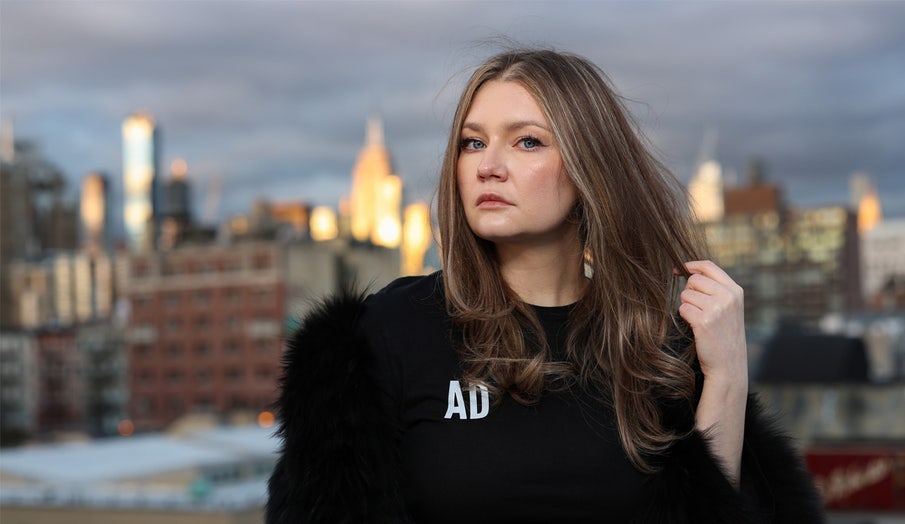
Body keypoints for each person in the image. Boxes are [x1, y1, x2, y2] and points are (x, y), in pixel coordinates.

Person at [266, 48, 824, 523]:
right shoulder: (382, 338)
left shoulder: (662, 350)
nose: (488, 166)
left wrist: (724, 376)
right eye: (472, 142)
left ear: (590, 167)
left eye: (527, 142)